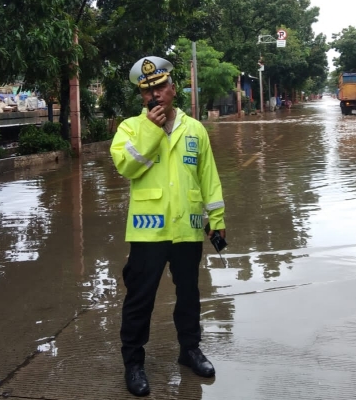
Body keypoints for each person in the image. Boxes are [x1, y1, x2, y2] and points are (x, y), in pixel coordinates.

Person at [110, 56, 226, 397]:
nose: (155, 95)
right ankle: (133, 363)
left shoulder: (195, 129)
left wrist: (216, 222)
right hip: (148, 231)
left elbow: (209, 179)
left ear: (174, 89)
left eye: (161, 87)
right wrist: (151, 129)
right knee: (139, 299)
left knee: (189, 294)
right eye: (148, 91)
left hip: (188, 229)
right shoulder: (131, 128)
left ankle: (189, 350)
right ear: (141, 96)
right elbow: (126, 168)